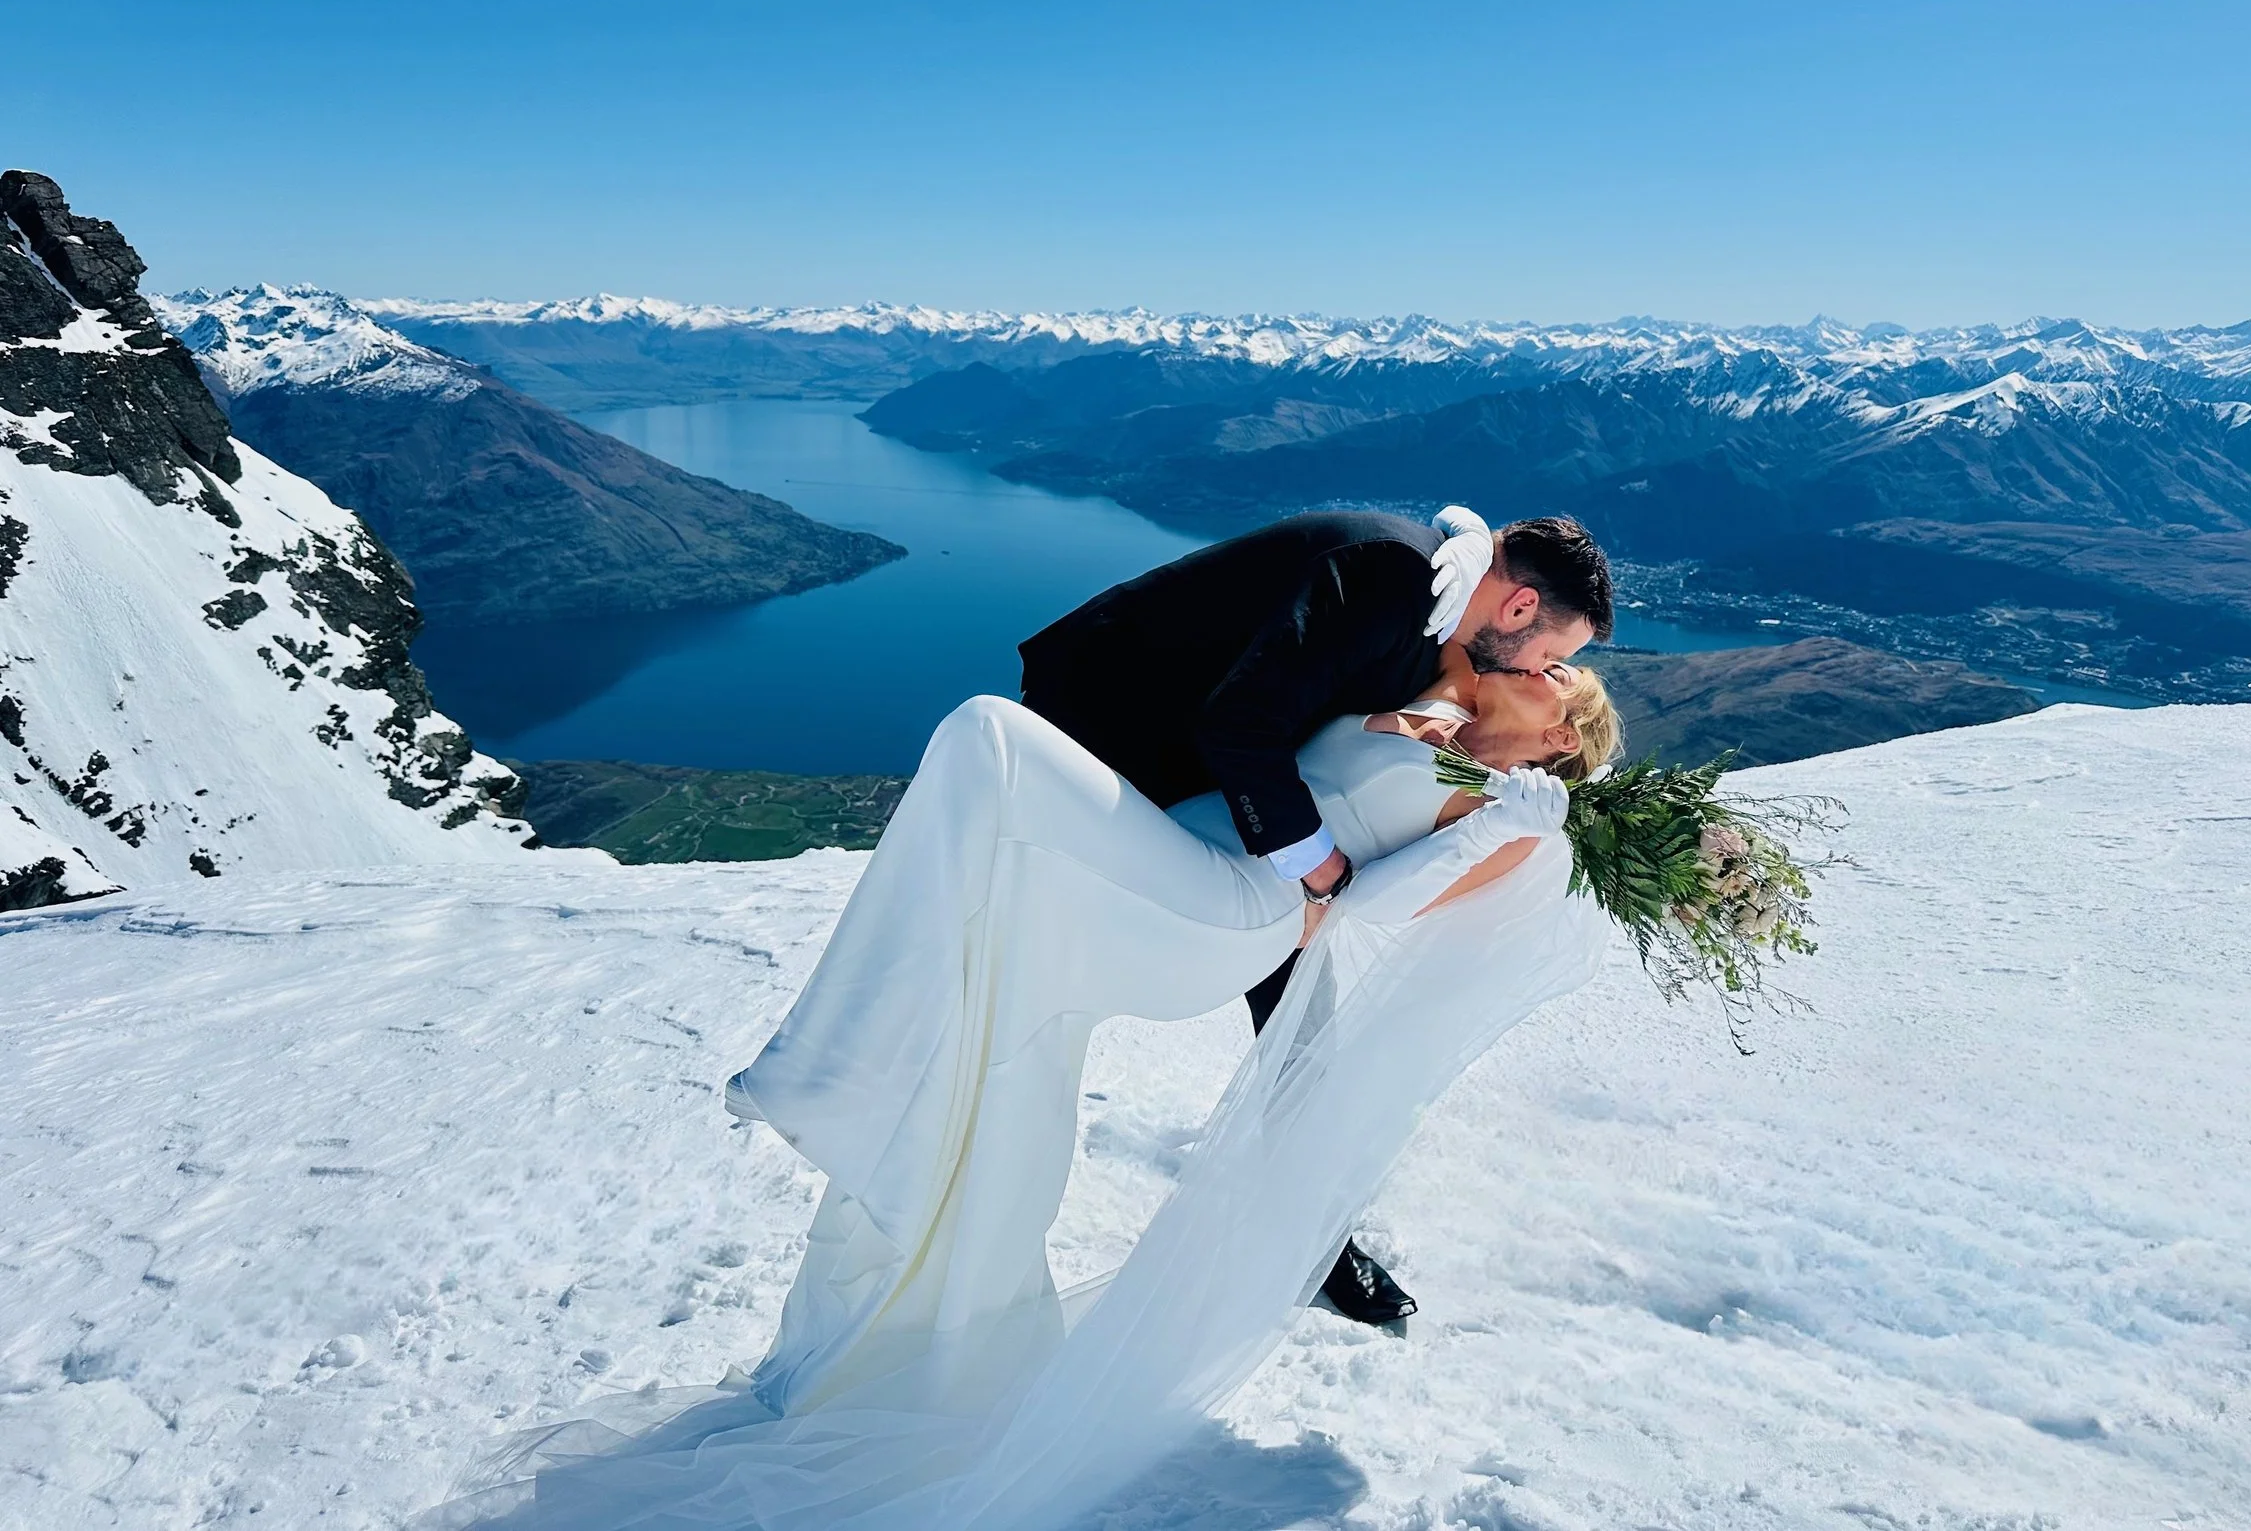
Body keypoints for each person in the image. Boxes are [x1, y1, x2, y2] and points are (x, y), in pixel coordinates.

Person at [438, 552, 1624, 1531]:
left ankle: (818, 1064)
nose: (1543, 670)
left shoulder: (1514, 817)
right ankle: (925, 1289)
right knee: (999, 1031)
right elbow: (1269, 736)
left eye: (1559, 681)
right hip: (1192, 862)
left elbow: (1365, 916)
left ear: (1561, 740)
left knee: (990, 741)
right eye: (1555, 657)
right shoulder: (1426, 705)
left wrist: (1371, 864)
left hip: (1231, 909)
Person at [1018, 510, 1616, 1323]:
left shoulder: (1449, 646)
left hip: (1246, 823)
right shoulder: (1418, 612)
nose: (1550, 671)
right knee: (1040, 974)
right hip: (1122, 727)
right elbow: (1250, 719)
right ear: (1515, 610)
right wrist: (1322, 869)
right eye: (1554, 656)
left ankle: (1316, 1241)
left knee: (1304, 1042)